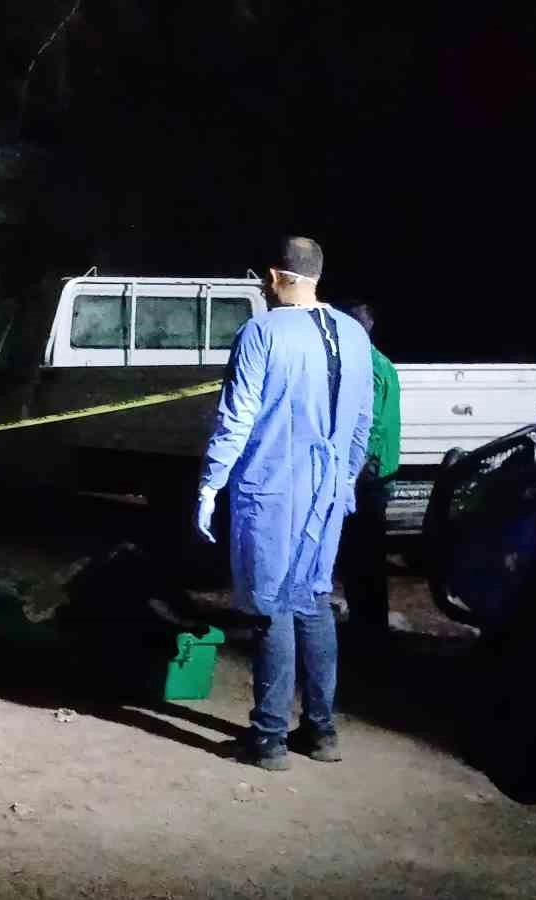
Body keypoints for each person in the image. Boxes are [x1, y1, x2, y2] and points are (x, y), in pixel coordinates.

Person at [195, 236, 374, 771]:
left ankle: (269, 739)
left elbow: (237, 416)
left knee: (271, 605)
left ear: (274, 276)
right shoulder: (354, 334)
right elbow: (362, 422)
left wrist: (210, 483)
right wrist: (344, 480)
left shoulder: (262, 331)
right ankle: (321, 732)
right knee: (314, 600)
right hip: (328, 491)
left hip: (272, 489)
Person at [336, 300, 401, 646]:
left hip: (369, 473)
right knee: (368, 554)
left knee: (362, 554)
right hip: (378, 469)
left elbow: (370, 425)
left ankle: (368, 631)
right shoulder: (380, 362)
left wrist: (352, 473)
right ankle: (369, 626)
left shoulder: (367, 366)